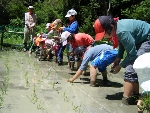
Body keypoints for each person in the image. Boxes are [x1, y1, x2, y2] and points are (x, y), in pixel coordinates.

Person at [93, 16, 150, 105]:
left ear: (111, 27)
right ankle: (135, 96)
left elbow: (132, 54)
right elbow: (122, 44)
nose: (104, 36)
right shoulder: (118, 28)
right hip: (140, 39)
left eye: (104, 33)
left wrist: (120, 66)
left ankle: (125, 100)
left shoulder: (122, 31)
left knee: (131, 67)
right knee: (133, 65)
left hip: (147, 39)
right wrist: (118, 59)